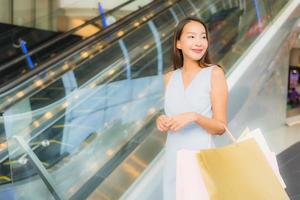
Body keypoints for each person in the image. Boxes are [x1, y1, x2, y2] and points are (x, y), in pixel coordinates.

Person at [156, 16, 228, 199]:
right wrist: (163, 121)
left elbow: (220, 127)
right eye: (192, 37)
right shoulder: (169, 78)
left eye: (203, 37)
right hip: (173, 159)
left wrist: (195, 116)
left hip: (201, 159)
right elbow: (174, 117)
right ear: (178, 43)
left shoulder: (214, 73)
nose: (199, 42)